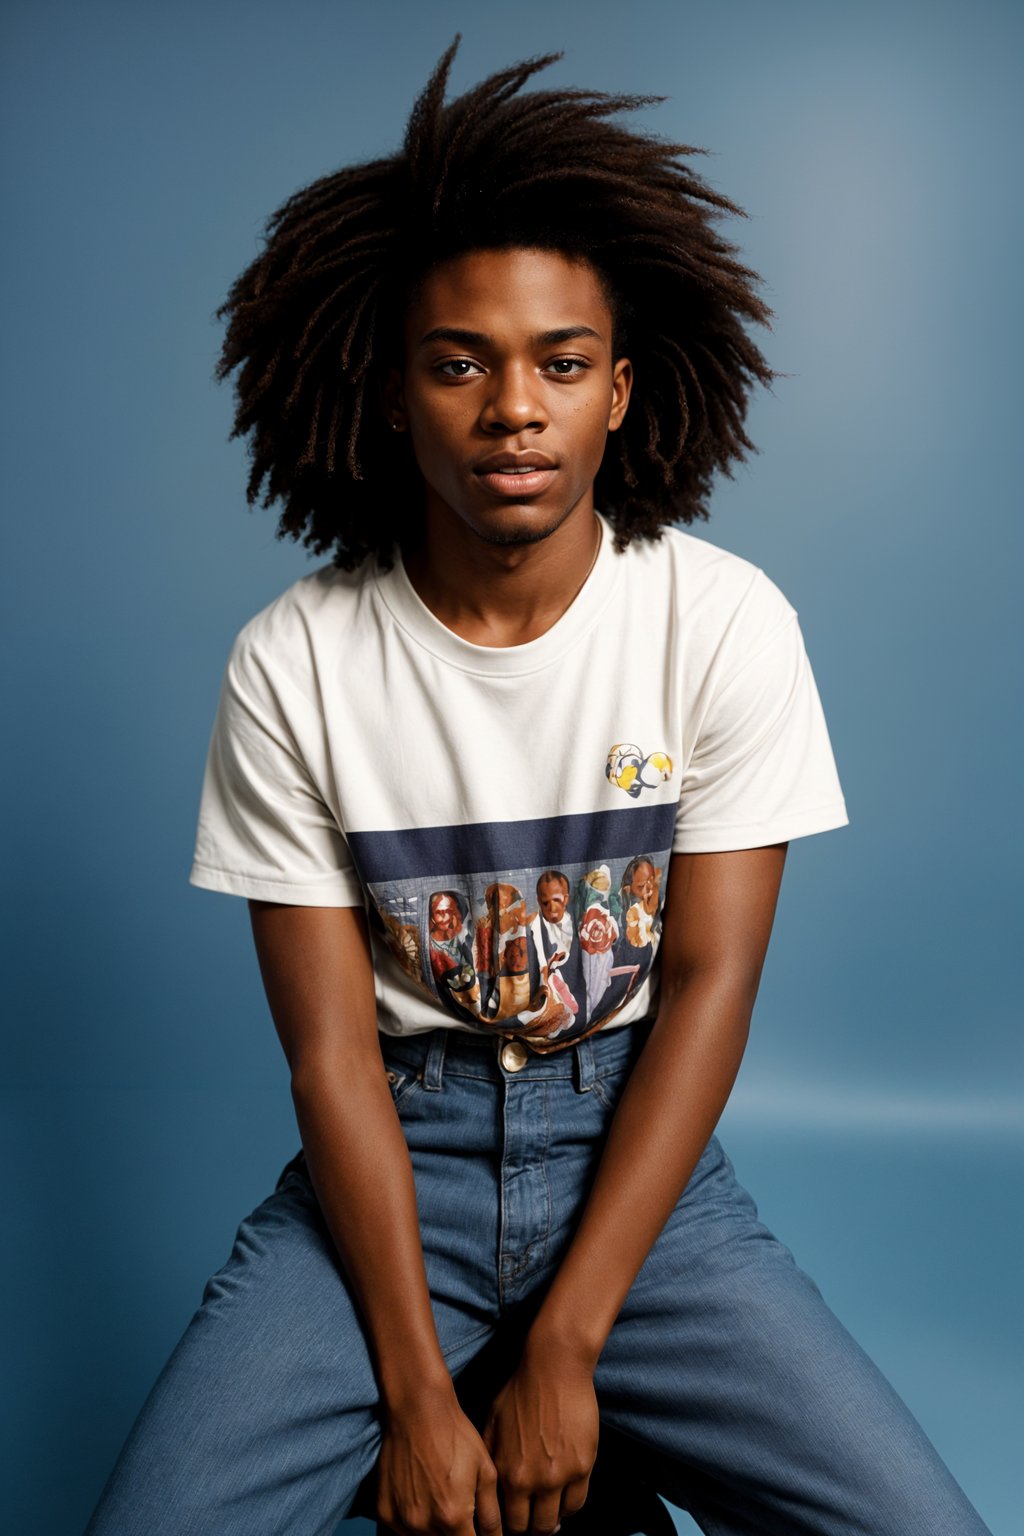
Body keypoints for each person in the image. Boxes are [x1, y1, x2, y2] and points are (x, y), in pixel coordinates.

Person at [84, 40, 991, 1536]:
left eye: (561, 363)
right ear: (391, 394)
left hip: (638, 1162)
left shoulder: (721, 622)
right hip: (391, 1171)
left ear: (621, 391)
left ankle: (591, 1457)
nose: (516, 407)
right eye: (462, 363)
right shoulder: (294, 662)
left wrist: (567, 1345)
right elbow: (328, 1057)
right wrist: (418, 1398)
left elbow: (707, 985)